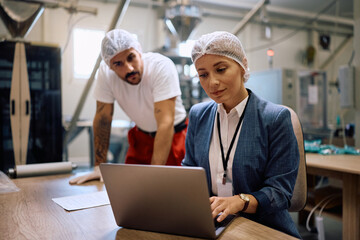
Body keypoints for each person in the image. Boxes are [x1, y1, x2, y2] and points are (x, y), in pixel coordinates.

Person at [182, 31, 301, 238]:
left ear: (243, 65)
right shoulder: (198, 115)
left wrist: (240, 201)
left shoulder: (275, 119)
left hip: (263, 226)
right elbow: (189, 172)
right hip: (211, 224)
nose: (212, 83)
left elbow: (280, 193)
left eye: (220, 69)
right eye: (203, 74)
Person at [70, 29, 187, 184]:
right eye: (118, 64)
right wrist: (99, 167)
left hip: (174, 136)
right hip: (141, 137)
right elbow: (103, 119)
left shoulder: (160, 66)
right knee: (130, 189)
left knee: (172, 191)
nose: (129, 68)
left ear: (139, 51)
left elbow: (165, 125)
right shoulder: (105, 74)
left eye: (131, 58)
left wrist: (154, 175)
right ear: (110, 66)